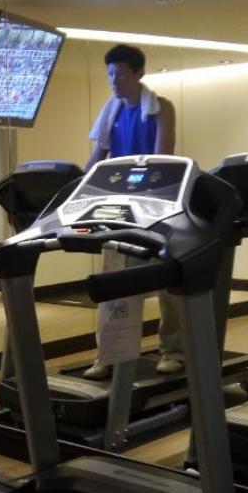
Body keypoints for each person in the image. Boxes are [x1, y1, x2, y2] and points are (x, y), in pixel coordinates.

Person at [83, 44, 183, 379]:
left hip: (156, 206)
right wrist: (76, 189)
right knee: (114, 283)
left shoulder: (161, 108)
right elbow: (96, 160)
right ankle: (109, 355)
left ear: (139, 73)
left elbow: (162, 156)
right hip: (119, 210)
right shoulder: (110, 111)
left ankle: (173, 351)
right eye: (110, 74)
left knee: (169, 284)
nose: (114, 80)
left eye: (121, 74)